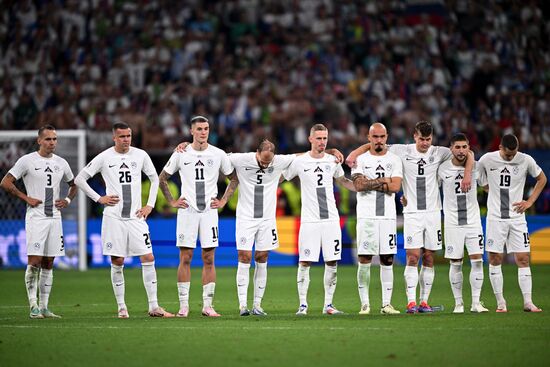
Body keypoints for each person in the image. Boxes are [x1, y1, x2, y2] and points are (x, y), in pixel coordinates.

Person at [346, 121, 472, 313]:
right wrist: (355, 153)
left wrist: (468, 175)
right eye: (422, 139)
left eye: (428, 139)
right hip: (412, 213)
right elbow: (375, 143)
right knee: (412, 257)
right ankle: (410, 302)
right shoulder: (402, 151)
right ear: (415, 136)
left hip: (433, 213)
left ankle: (424, 301)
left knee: (429, 257)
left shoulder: (439, 152)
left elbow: (467, 154)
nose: (425, 143)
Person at [75, 122, 174, 318]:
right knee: (117, 260)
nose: (126, 139)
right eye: (122, 136)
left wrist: (150, 205)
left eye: (128, 136)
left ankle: (154, 306)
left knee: (148, 257)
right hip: (114, 218)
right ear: (114, 138)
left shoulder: (140, 155)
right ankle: (122, 307)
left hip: (136, 217)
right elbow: (80, 179)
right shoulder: (105, 157)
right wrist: (99, 198)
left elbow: (155, 179)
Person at [159, 115, 234, 317]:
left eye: (206, 128)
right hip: (188, 211)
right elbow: (162, 178)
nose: (203, 132)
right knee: (186, 257)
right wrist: (172, 202)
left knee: (209, 258)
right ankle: (184, 306)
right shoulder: (181, 153)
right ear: (191, 131)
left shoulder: (218, 154)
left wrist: (224, 201)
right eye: (199, 129)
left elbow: (233, 179)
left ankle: (207, 306)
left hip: (209, 212)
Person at [1, 124, 77, 319]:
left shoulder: (61, 162)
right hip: (36, 217)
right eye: (48, 139)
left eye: (54, 139)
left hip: (55, 217)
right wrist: (26, 198)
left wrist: (67, 199)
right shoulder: (27, 161)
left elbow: (73, 184)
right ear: (39, 140)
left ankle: (44, 307)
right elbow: (5, 182)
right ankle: (33, 306)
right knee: (34, 261)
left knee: (49, 261)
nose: (52, 142)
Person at [283, 124, 355, 316]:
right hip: (309, 221)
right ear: (310, 139)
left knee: (332, 262)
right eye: (319, 138)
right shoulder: (300, 162)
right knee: (305, 262)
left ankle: (328, 305)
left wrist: (363, 187)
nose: (322, 142)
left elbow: (344, 181)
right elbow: (282, 177)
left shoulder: (333, 160)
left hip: (331, 219)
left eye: (325, 138)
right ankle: (303, 305)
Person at [478, 134, 547, 312]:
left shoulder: (525, 159)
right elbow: (477, 175)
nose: (511, 157)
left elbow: (542, 179)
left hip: (517, 218)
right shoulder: (487, 159)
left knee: (523, 259)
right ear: (500, 147)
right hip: (495, 218)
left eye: (514, 153)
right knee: (495, 259)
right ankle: (501, 303)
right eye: (508, 154)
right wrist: (487, 187)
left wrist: (530, 201)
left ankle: (528, 302)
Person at [350, 122, 403, 315]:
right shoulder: (360, 160)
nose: (379, 140)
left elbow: (396, 187)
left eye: (382, 136)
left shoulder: (395, 159)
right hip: (367, 217)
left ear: (386, 137)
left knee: (387, 258)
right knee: (364, 258)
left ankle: (386, 304)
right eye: (375, 137)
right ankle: (365, 304)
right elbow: (358, 185)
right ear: (368, 138)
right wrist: (384, 180)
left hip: (388, 217)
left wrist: (371, 181)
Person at [438, 133, 488, 313]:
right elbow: (431, 189)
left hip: (473, 222)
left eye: (464, 147)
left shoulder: (476, 166)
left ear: (469, 148)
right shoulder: (442, 169)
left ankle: (475, 303)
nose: (461, 151)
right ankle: (458, 303)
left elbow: (486, 186)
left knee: (477, 261)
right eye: (457, 147)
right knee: (455, 263)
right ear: (451, 148)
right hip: (452, 223)